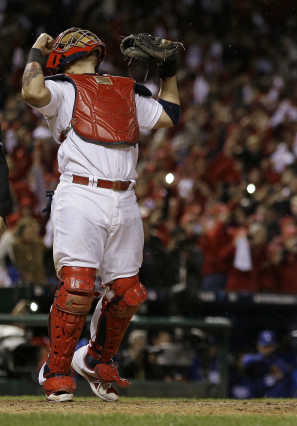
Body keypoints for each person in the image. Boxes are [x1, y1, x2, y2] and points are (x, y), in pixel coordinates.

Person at [21, 28, 180, 402]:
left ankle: (95, 359)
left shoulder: (126, 88)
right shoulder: (60, 88)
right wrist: (35, 53)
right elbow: (30, 90)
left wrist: (169, 71)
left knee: (128, 292)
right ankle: (56, 369)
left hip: (124, 195)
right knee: (78, 286)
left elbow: (169, 115)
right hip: (79, 192)